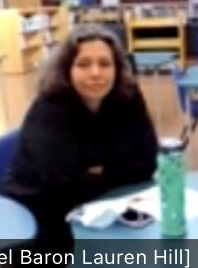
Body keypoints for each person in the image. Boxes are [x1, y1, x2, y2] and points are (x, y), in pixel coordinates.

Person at [1, 26, 158, 253]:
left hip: (103, 204)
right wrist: (114, 172)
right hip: (39, 208)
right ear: (67, 69)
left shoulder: (127, 95)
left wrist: (96, 175)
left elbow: (147, 162)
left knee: (147, 245)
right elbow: (61, 187)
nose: (95, 73)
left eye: (105, 64)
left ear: (117, 68)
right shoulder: (50, 106)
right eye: (83, 64)